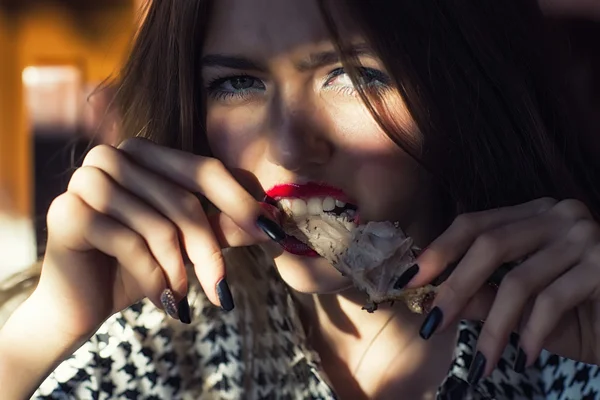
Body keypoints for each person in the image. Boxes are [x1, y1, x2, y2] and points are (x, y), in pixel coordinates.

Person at [1, 0, 600, 399]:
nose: (287, 149)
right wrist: (47, 327)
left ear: (464, 92)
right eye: (238, 83)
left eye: (357, 76)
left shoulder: (571, 330)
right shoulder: (163, 333)